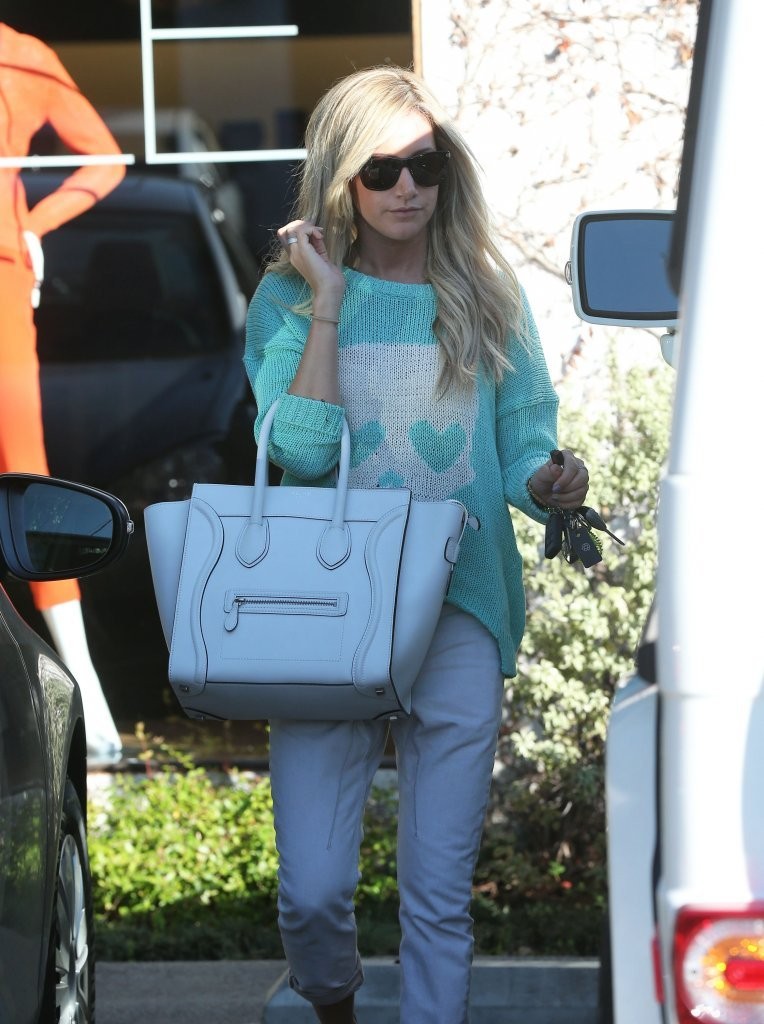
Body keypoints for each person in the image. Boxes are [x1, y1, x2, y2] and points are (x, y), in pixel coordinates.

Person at [244, 65, 590, 1024]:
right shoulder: (286, 300)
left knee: (438, 897)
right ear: (342, 176)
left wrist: (552, 481)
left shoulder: (486, 294)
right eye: (382, 169)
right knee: (312, 894)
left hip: (460, 603)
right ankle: (335, 1005)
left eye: (426, 166)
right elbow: (302, 450)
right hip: (325, 610)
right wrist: (328, 298)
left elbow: (522, 442)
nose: (407, 187)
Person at [0, 22, 125, 762]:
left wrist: (33, 226)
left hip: (4, 268)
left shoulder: (23, 56)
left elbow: (103, 159)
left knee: (27, 474)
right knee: (26, 476)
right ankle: (87, 705)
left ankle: (87, 699)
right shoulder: (23, 56)